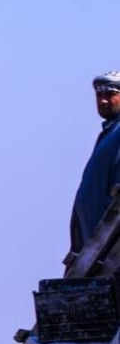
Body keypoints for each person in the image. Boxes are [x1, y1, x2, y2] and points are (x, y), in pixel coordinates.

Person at [68, 71, 120, 258]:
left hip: (111, 246)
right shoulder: (110, 133)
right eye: (99, 95)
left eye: (110, 94)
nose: (103, 101)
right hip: (96, 245)